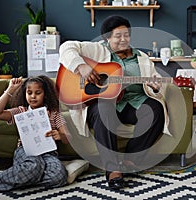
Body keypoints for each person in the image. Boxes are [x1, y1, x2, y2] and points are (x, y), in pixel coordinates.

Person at [59, 15, 168, 189]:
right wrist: (81, 66)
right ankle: (112, 168)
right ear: (107, 37)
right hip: (105, 105)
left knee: (155, 109)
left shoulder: (142, 58)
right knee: (104, 104)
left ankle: (130, 159)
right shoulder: (96, 50)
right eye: (118, 36)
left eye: (126, 35)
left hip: (134, 103)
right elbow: (66, 47)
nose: (123, 39)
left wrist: (156, 86)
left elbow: (156, 80)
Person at [0, 76, 69, 191]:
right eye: (29, 93)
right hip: (26, 150)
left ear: (45, 94)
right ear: (25, 94)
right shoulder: (21, 111)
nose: (33, 96)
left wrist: (60, 135)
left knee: (59, 176)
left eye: (38, 93)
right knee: (33, 166)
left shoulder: (54, 114)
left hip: (48, 153)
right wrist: (10, 90)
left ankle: (18, 176)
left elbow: (67, 139)